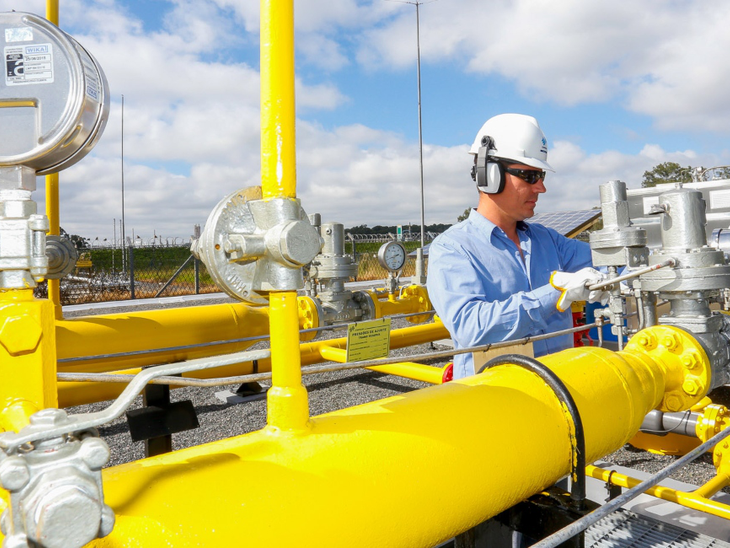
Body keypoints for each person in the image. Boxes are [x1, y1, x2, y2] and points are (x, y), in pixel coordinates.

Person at [426, 113, 608, 379]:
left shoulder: (548, 241)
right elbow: (471, 328)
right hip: (496, 403)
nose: (541, 188)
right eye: (530, 176)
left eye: (541, 175)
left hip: (561, 395)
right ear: (489, 174)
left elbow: (610, 260)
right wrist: (555, 293)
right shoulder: (453, 248)